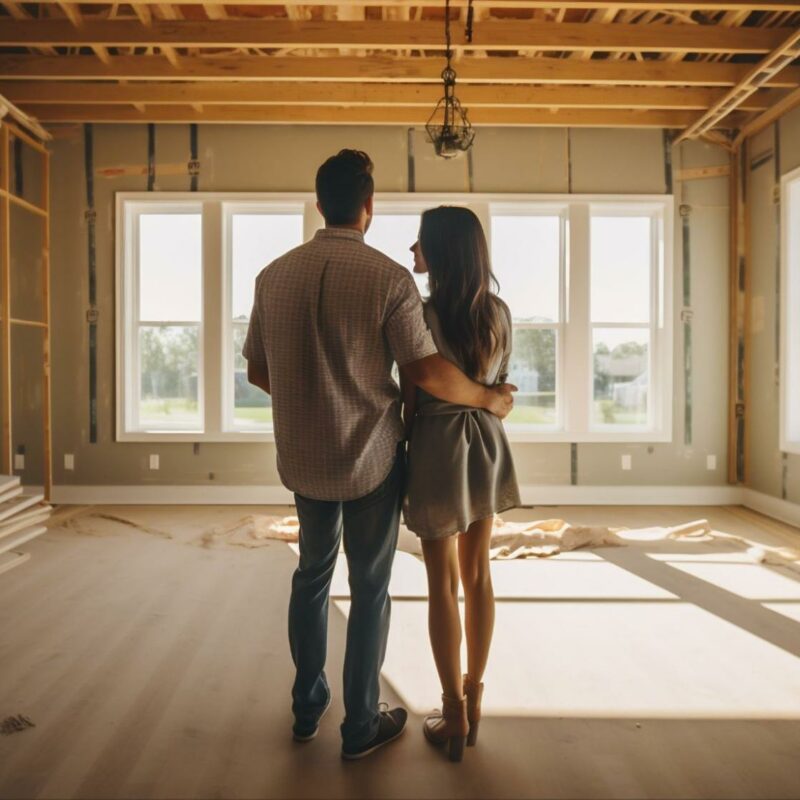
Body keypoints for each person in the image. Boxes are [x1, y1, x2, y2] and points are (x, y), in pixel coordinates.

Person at [242, 150, 516, 761]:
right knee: (370, 588)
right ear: (368, 207)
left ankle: (307, 709)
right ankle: (361, 724)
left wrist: (309, 394)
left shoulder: (273, 274)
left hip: (304, 459)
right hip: (371, 454)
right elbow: (424, 371)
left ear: (320, 203)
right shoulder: (389, 279)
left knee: (312, 577)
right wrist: (490, 399)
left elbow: (260, 370)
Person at [401, 206, 521, 763]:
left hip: (436, 446)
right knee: (479, 576)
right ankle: (475, 698)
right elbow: (499, 389)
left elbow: (413, 392)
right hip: (488, 444)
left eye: (420, 242)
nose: (412, 250)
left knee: (440, 584)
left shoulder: (419, 314)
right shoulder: (498, 312)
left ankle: (450, 712)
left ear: (443, 251)